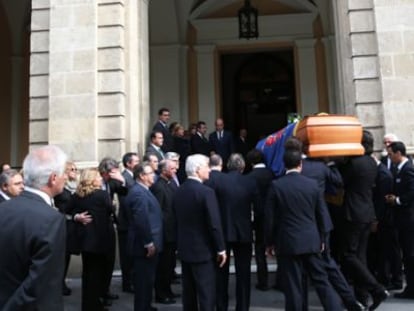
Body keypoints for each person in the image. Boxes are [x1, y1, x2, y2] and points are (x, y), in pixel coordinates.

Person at [265, 148, 342, 311]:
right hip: (311, 239)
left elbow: (270, 219)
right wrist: (322, 237)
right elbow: (321, 213)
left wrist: (269, 242)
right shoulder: (312, 185)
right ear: (300, 164)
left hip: (288, 241)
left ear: (284, 165)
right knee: (321, 280)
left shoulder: (276, 186)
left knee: (293, 285)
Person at [0, 145, 67, 310]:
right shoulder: (51, 219)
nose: (66, 177)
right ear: (53, 178)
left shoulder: (4, 208)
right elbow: (41, 284)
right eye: (64, 172)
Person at [339, 130, 389, 309]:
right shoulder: (371, 162)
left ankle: (376, 289)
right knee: (360, 256)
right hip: (367, 212)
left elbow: (341, 181)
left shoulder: (354, 163)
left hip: (354, 213)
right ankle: (363, 295)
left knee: (349, 255)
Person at [173, 154, 227, 311]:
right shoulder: (206, 192)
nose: (209, 170)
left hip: (185, 248)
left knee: (188, 294)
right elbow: (214, 224)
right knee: (206, 294)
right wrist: (221, 248)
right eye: (206, 166)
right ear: (197, 170)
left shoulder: (179, 190)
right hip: (203, 250)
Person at [207, 153, 257, 311]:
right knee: (244, 274)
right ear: (242, 167)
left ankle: (221, 306)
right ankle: (242, 307)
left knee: (221, 272)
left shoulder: (218, 180)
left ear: (227, 165)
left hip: (223, 230)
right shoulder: (250, 181)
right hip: (244, 232)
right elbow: (259, 207)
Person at [68, 168, 114, 311]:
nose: (101, 179)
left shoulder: (77, 195)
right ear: (92, 179)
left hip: (85, 241)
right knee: (97, 274)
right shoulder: (101, 195)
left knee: (88, 273)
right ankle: (94, 305)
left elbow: (68, 210)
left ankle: (88, 305)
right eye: (98, 177)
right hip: (99, 240)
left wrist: (77, 216)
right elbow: (110, 210)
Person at [125, 162, 163, 311]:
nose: (154, 175)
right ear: (141, 176)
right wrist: (148, 243)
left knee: (147, 280)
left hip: (147, 243)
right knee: (143, 281)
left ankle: (146, 306)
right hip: (143, 245)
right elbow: (141, 220)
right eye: (150, 173)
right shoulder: (138, 193)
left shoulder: (143, 190)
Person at [54, 161, 90, 296]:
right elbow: (57, 207)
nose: (74, 171)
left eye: (76, 169)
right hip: (64, 223)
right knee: (63, 255)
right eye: (71, 169)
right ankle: (59, 283)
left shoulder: (78, 187)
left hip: (75, 225)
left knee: (68, 254)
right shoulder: (61, 188)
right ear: (65, 171)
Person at [385, 141, 414, 299]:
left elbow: (411, 192)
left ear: (398, 153)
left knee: (409, 254)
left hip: (408, 220)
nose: (389, 157)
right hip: (403, 220)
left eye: (390, 154)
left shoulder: (408, 169)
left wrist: (397, 200)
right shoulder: (399, 169)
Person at [98, 157, 128, 304]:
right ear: (106, 172)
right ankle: (99, 293)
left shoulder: (112, 182)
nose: (116, 172)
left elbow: (125, 191)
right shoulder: (96, 183)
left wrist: (122, 179)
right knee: (100, 263)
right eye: (114, 170)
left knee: (110, 260)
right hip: (98, 228)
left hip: (109, 225)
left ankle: (106, 289)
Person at [246, 149, 274, 291]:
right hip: (274, 215)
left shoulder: (250, 177)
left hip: (258, 216)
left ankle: (263, 281)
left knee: (260, 248)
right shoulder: (272, 173)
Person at [151, 159, 179, 304]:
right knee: (163, 266)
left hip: (173, 231)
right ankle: (161, 293)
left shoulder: (171, 183)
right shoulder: (158, 187)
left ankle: (168, 290)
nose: (175, 170)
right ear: (164, 171)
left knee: (169, 265)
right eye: (173, 168)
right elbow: (158, 212)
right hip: (164, 233)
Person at [118, 152, 140, 293]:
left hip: (132, 222)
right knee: (127, 255)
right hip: (126, 222)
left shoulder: (130, 177)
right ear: (128, 164)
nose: (138, 163)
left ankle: (132, 281)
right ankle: (128, 283)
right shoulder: (124, 178)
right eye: (136, 161)